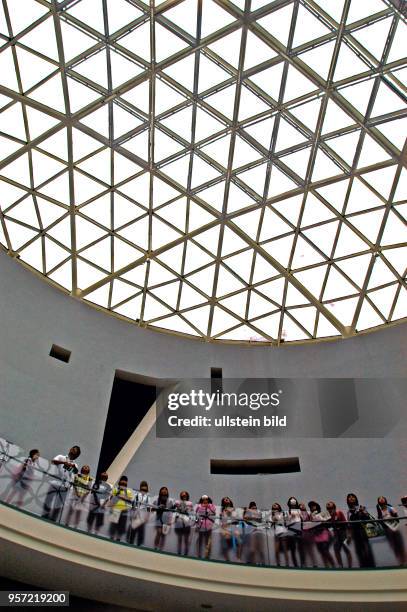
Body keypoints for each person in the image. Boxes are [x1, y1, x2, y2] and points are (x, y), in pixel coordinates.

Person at [42, 446, 81, 522]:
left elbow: (75, 472)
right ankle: (44, 516)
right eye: (73, 450)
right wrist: (64, 463)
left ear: (77, 455)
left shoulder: (75, 465)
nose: (73, 452)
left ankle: (53, 520)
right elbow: (53, 461)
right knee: (48, 500)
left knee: (59, 504)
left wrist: (73, 467)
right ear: (70, 449)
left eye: (76, 452)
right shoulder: (61, 457)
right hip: (55, 482)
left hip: (65, 486)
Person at [346, 493, 375, 568]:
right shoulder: (348, 512)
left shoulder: (361, 507)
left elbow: (368, 518)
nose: (351, 498)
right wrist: (349, 536)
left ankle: (371, 566)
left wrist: (363, 511)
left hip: (364, 531)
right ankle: (363, 566)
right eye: (349, 497)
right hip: (355, 533)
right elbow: (349, 524)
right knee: (359, 550)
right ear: (347, 500)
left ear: (356, 499)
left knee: (367, 549)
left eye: (353, 497)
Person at [377, 496, 406, 566]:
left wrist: (394, 523)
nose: (381, 499)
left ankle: (404, 560)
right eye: (379, 499)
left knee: (400, 545)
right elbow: (380, 520)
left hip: (395, 529)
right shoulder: (379, 510)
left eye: (382, 498)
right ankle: (400, 562)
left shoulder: (390, 507)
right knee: (394, 546)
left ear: (385, 500)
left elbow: (396, 517)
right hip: (387, 531)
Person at [308, 501, 335, 568]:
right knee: (321, 551)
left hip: (324, 533)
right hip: (316, 535)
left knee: (325, 550)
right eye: (311, 506)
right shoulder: (311, 515)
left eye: (314, 505)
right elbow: (310, 525)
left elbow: (330, 523)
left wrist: (321, 519)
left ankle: (333, 565)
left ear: (317, 506)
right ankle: (326, 566)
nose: (312, 507)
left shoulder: (323, 513)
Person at [326, 501, 352, 568]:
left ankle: (350, 567)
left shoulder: (339, 512)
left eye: (331, 508)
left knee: (346, 549)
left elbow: (346, 524)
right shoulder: (327, 516)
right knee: (336, 550)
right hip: (336, 535)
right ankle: (340, 566)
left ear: (334, 507)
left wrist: (348, 535)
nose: (330, 509)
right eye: (328, 508)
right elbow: (328, 526)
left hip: (343, 533)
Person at [108, 475, 133, 542]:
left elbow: (130, 501)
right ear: (120, 482)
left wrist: (124, 496)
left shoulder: (129, 492)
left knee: (121, 527)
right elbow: (111, 499)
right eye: (122, 481)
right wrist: (118, 494)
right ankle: (111, 538)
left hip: (124, 511)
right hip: (115, 510)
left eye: (125, 481)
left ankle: (118, 539)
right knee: (113, 526)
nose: (123, 482)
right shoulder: (115, 489)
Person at [128, 481, 151, 547]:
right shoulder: (136, 495)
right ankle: (130, 542)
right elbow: (133, 504)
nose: (144, 490)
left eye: (145, 489)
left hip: (143, 515)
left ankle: (139, 544)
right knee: (133, 528)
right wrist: (132, 514)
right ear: (140, 488)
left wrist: (147, 517)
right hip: (136, 513)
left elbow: (149, 508)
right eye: (142, 489)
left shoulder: (148, 497)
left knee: (141, 530)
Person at [219, 497, 240, 562]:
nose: (227, 499)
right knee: (225, 545)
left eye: (227, 498)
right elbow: (222, 521)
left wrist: (231, 513)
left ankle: (237, 558)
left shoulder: (234, 509)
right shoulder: (222, 511)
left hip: (233, 528)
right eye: (225, 499)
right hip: (225, 529)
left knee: (238, 543)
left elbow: (237, 520)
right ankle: (227, 559)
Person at [152, 486, 174, 551]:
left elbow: (172, 511)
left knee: (163, 534)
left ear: (167, 492)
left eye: (165, 489)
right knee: (158, 532)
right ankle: (155, 547)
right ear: (160, 491)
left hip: (166, 519)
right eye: (163, 489)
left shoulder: (170, 500)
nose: (164, 490)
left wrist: (170, 520)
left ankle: (161, 549)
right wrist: (158, 507)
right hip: (158, 518)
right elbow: (152, 508)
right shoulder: (156, 499)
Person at [195, 495, 216, 559]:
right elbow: (196, 514)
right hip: (201, 524)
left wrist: (208, 507)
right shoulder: (199, 506)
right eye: (203, 499)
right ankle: (199, 554)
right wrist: (196, 524)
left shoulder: (211, 505)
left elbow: (214, 513)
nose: (205, 500)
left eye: (206, 499)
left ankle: (207, 555)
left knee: (208, 540)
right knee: (200, 540)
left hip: (209, 524)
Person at [173, 490, 193, 556]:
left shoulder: (190, 503)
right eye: (182, 495)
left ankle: (185, 553)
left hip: (187, 522)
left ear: (187, 496)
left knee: (186, 539)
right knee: (179, 538)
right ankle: (179, 552)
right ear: (180, 496)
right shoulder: (177, 502)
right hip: (179, 521)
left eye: (185, 495)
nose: (184, 496)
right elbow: (173, 509)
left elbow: (191, 512)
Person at [285, 496, 302, 567]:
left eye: (294, 501)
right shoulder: (287, 512)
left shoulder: (299, 511)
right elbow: (286, 523)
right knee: (293, 549)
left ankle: (302, 564)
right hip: (291, 531)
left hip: (299, 530)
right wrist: (290, 517)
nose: (293, 502)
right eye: (291, 501)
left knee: (301, 548)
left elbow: (303, 519)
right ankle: (295, 564)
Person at [299, 502, 317, 567]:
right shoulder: (299, 514)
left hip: (309, 533)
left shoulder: (309, 513)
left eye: (303, 505)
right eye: (301, 505)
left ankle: (314, 564)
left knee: (310, 549)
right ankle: (304, 564)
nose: (302, 506)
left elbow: (313, 521)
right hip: (303, 533)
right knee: (304, 550)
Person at [271, 502, 289, 567]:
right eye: (274, 505)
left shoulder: (283, 513)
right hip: (276, 532)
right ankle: (278, 563)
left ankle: (287, 564)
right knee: (276, 549)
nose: (275, 506)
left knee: (285, 548)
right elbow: (272, 522)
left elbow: (286, 520)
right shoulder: (272, 514)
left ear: (279, 506)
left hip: (283, 531)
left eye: (276, 505)